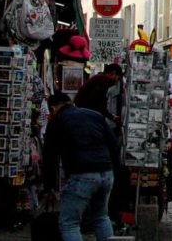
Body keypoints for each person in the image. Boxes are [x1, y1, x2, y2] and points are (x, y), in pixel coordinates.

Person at [42, 92, 119, 241]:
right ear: (71, 103)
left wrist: (49, 187)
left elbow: (49, 156)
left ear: (53, 108)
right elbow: (114, 144)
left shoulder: (57, 120)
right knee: (101, 217)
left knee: (69, 223)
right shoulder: (94, 115)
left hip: (81, 174)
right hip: (106, 172)